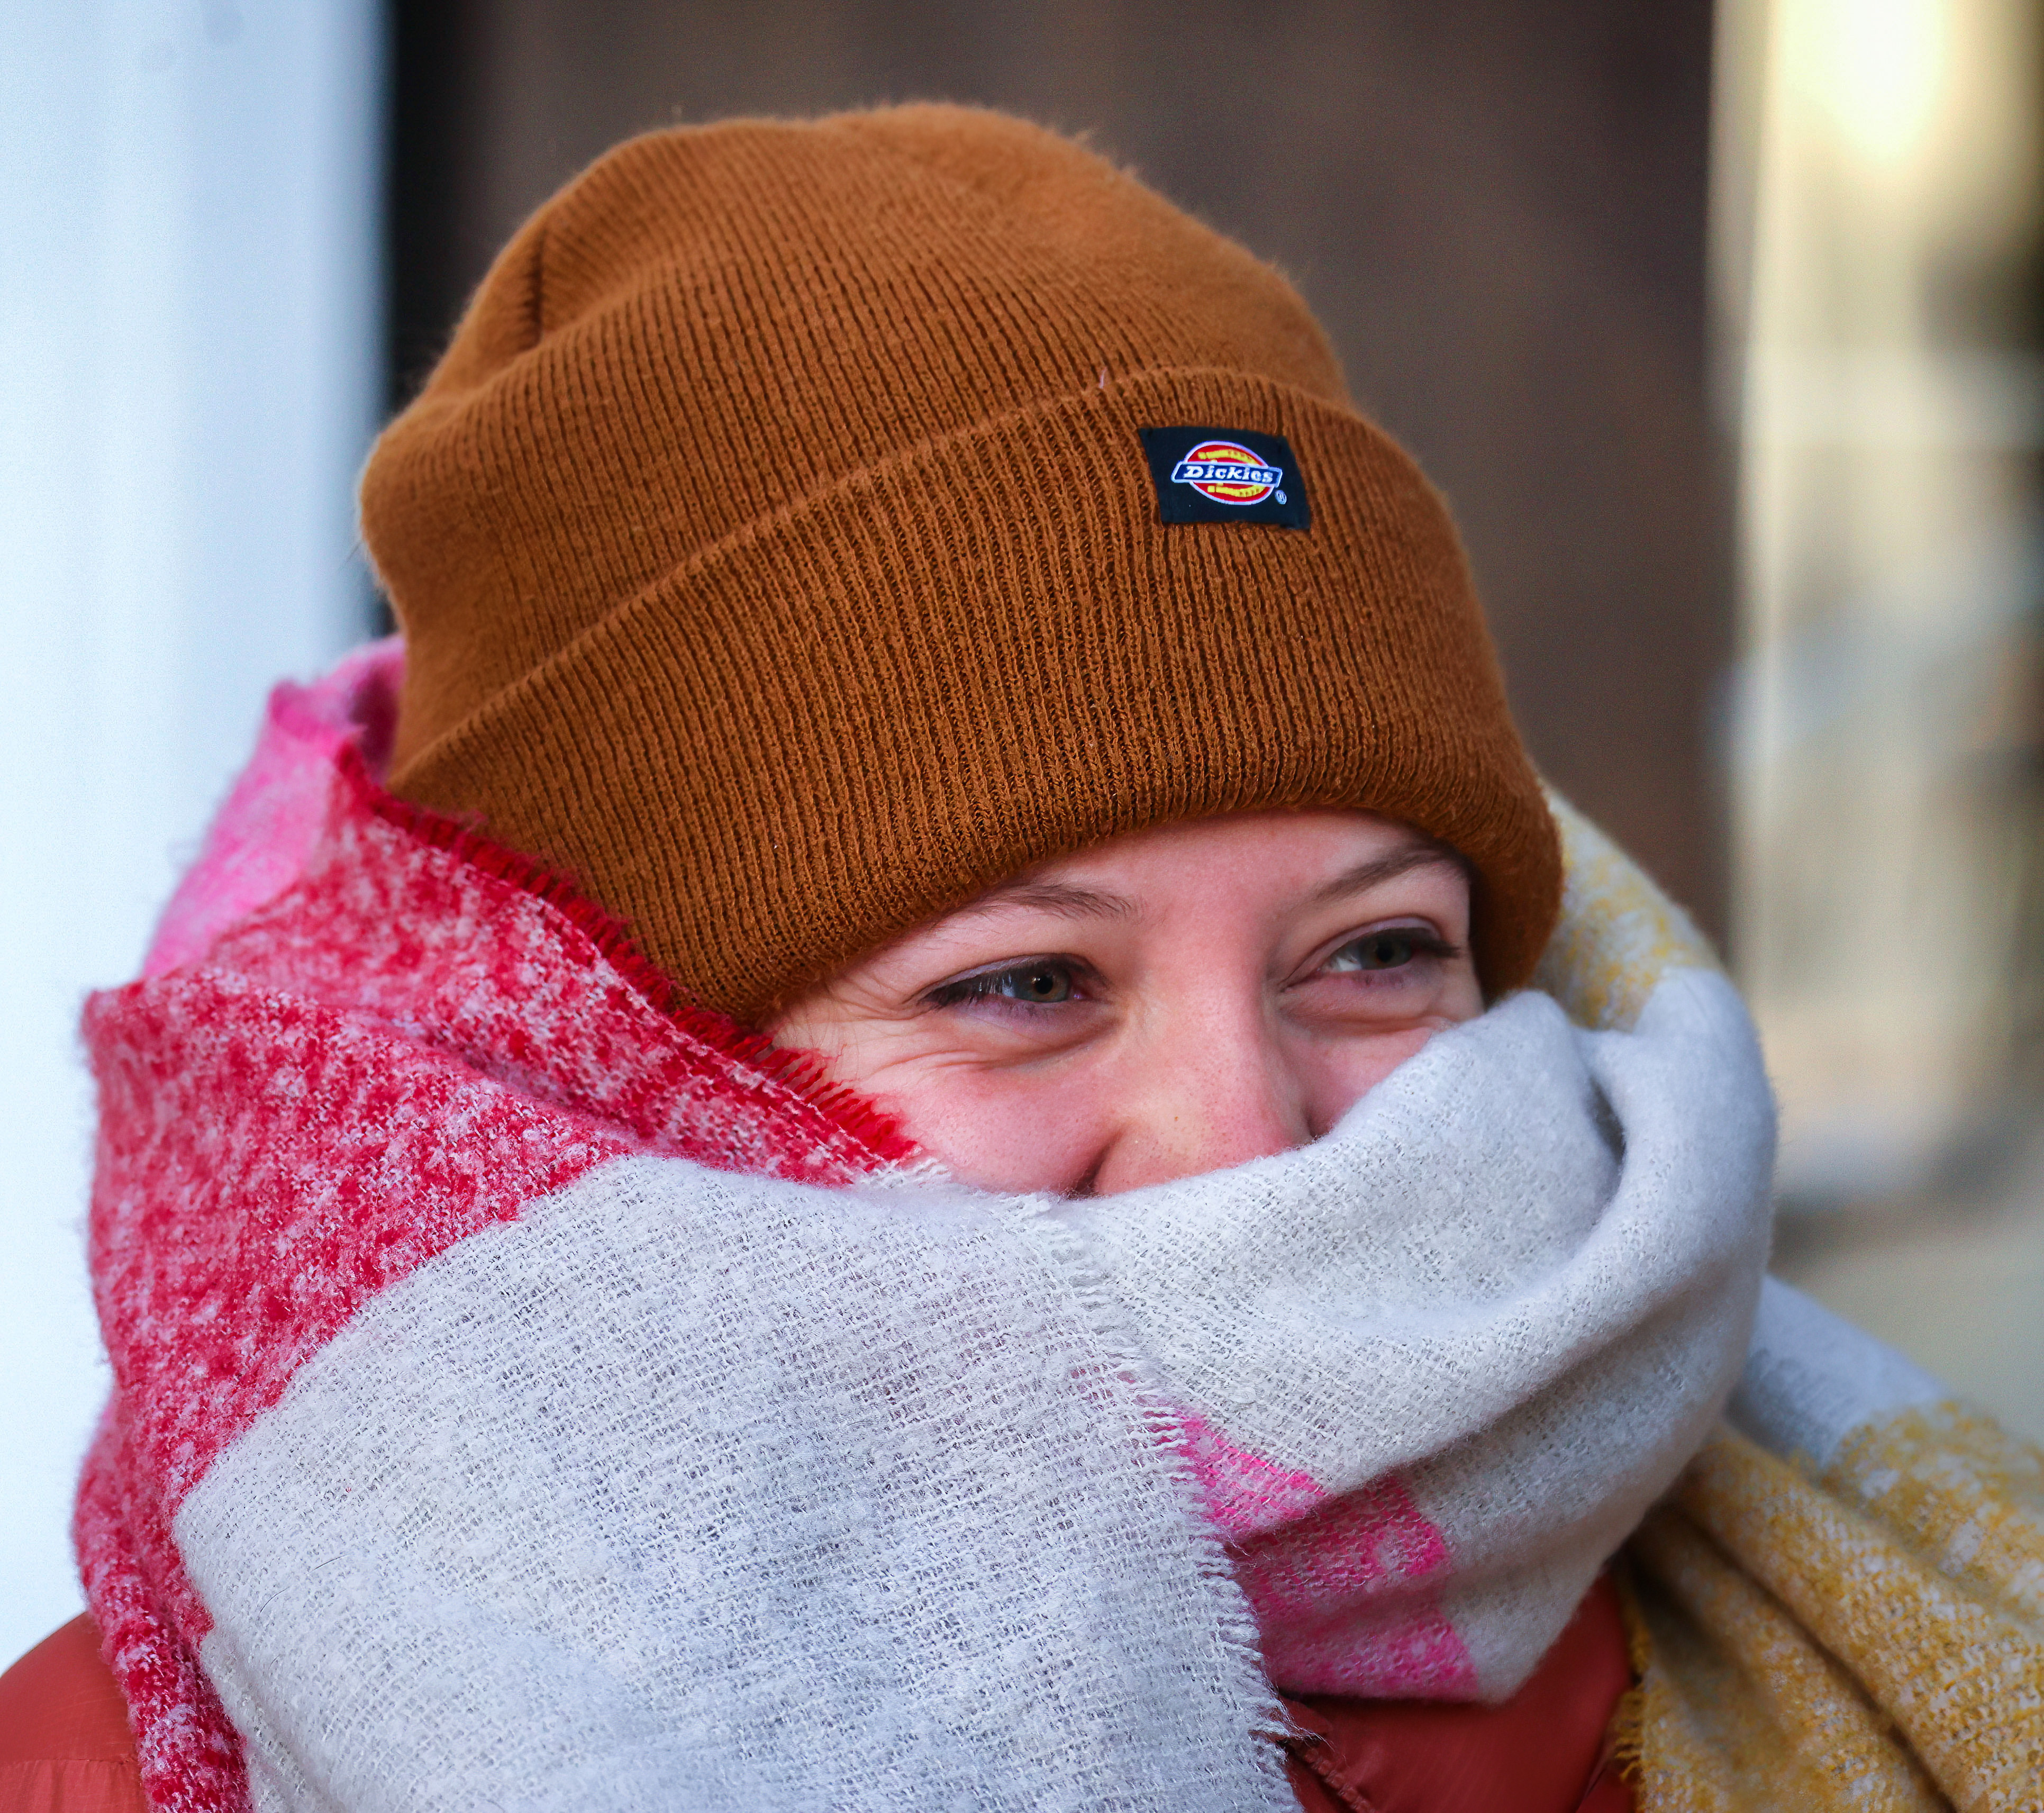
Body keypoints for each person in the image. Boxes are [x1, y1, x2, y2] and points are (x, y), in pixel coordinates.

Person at [2, 106, 2037, 1813]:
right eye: (1023, 983)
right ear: (630, 1057)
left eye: (1378, 949)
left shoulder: (1778, 1593)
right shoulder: (131, 1763)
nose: (1250, 1138)